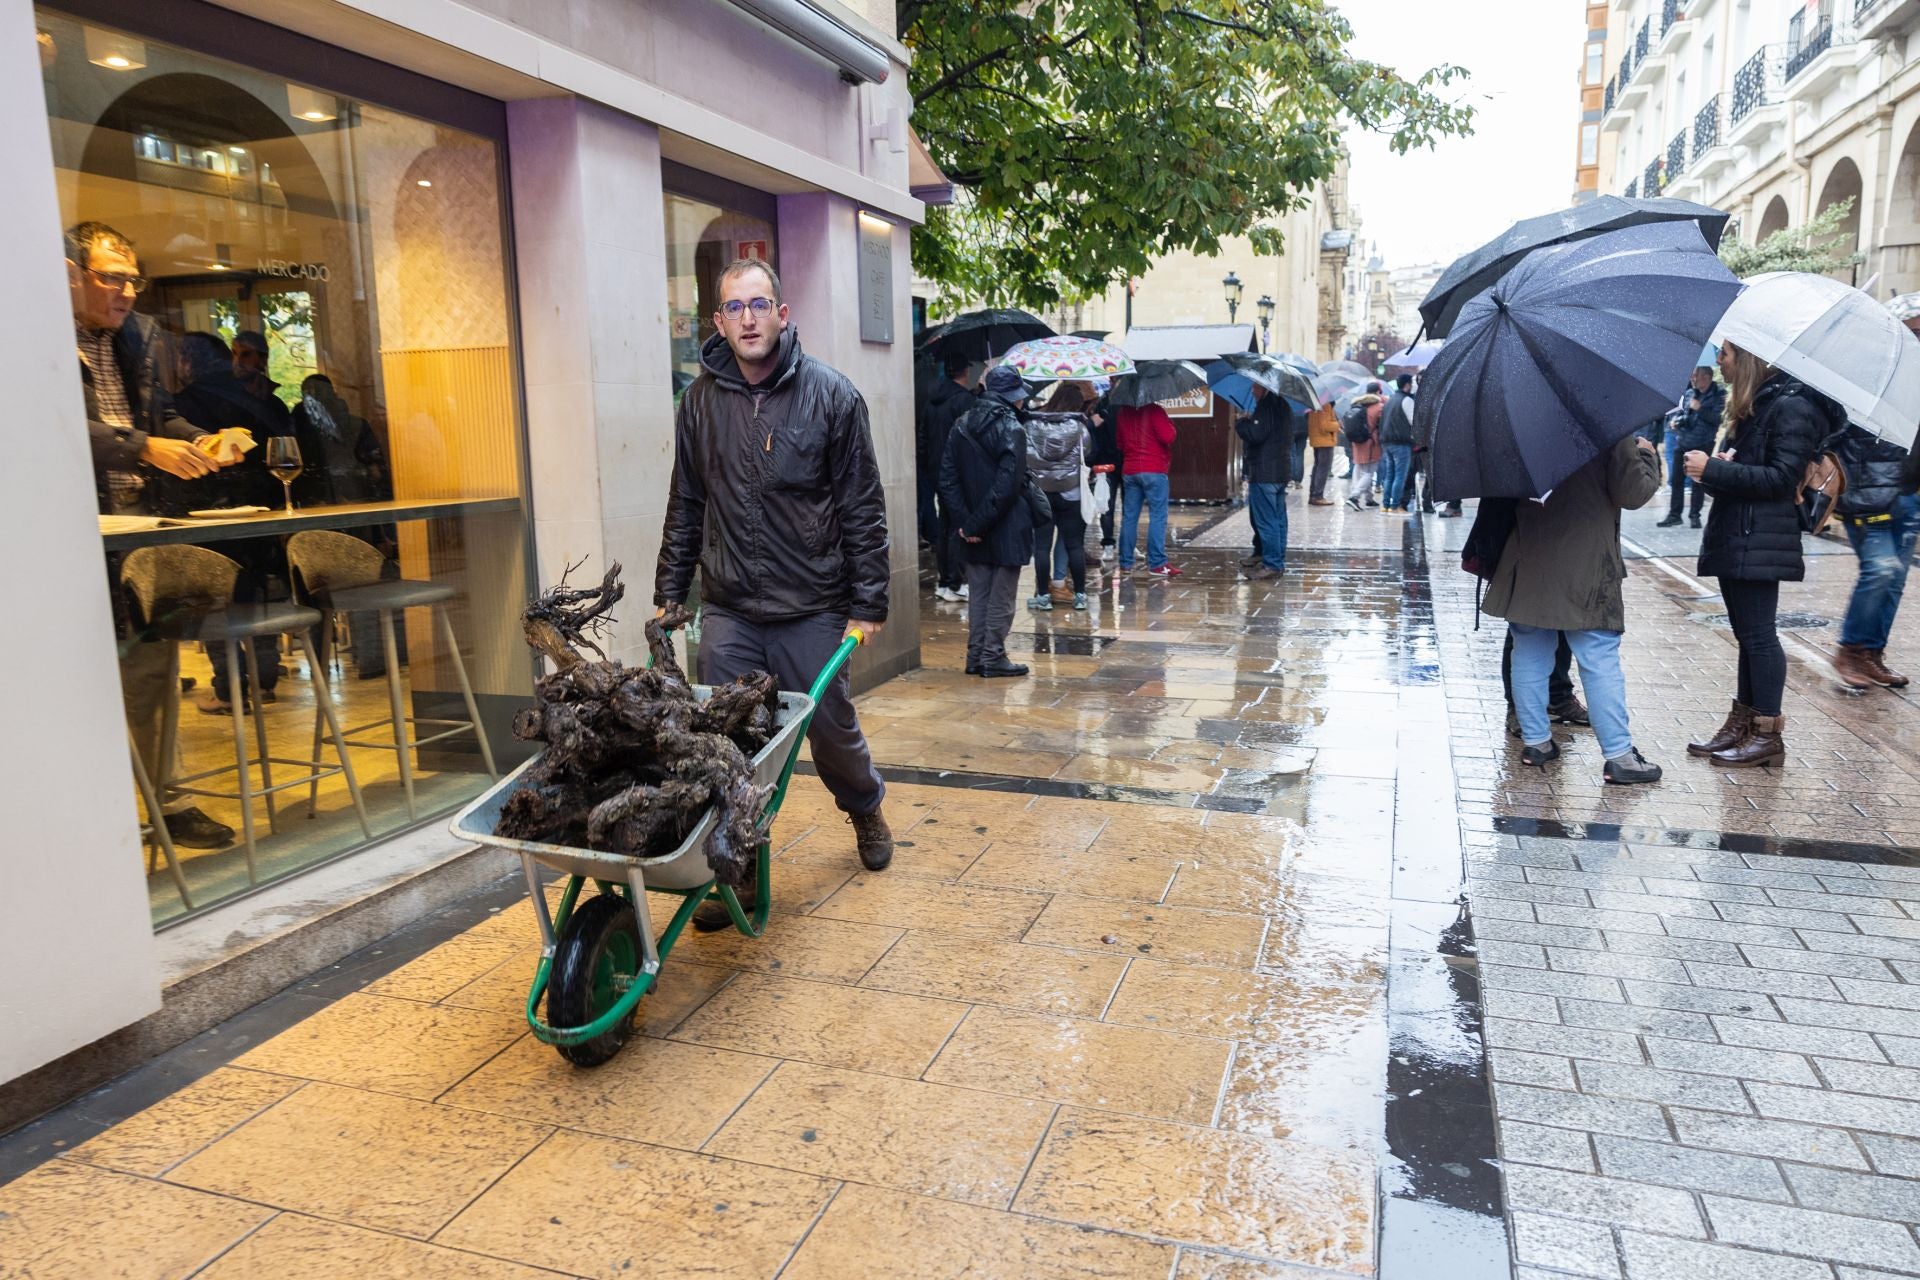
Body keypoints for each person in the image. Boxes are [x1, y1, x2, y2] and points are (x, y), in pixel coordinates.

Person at [655, 257, 895, 925]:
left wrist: (868, 602)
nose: (749, 318)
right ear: (719, 322)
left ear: (783, 315)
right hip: (730, 605)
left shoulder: (833, 397)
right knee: (725, 746)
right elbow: (686, 502)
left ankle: (866, 808)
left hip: (812, 605)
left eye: (760, 305)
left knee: (828, 728)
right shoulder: (699, 403)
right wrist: (671, 591)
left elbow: (862, 507)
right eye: (735, 308)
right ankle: (734, 870)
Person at [69, 219, 237, 850]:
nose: (127, 291)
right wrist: (148, 448)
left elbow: (158, 415)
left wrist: (196, 441)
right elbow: (61, 424)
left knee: (152, 668)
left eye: (133, 278)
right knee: (83, 677)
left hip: (139, 529)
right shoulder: (34, 335)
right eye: (112, 276)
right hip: (72, 532)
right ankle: (92, 809)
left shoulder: (136, 338)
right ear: (72, 276)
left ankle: (166, 800)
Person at [1682, 341, 1834, 768]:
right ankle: (1743, 725)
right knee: (1748, 635)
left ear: (1749, 358)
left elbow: (1782, 480)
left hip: (1760, 537)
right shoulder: (1757, 405)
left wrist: (1714, 469)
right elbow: (1747, 476)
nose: (1718, 363)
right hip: (1740, 534)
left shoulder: (1792, 407)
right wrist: (1715, 470)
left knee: (1760, 636)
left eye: (1725, 354)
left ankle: (1767, 734)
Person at [1483, 434, 1663, 783]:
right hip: (1588, 561)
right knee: (1598, 656)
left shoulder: (1521, 424)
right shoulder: (1607, 426)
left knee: (1530, 650)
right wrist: (1647, 456)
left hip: (1528, 553)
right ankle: (1620, 757)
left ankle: (1536, 743)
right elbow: (1633, 494)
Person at [166, 332, 297, 714]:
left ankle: (228, 690)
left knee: (213, 602)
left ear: (186, 362)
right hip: (262, 510)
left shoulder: (184, 405)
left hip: (207, 513)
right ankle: (264, 681)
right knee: (257, 596)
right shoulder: (267, 403)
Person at [941, 364, 1037, 677]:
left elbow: (948, 478)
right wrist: (976, 523)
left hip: (971, 528)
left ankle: (976, 656)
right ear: (1011, 398)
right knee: (1001, 598)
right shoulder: (1012, 428)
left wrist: (966, 522)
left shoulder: (961, 424)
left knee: (980, 595)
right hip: (1006, 525)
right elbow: (1007, 485)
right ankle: (993, 657)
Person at [920, 351, 976, 604]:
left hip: (936, 470)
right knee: (956, 526)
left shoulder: (933, 401)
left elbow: (923, 438)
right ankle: (954, 581)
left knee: (945, 525)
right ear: (965, 372)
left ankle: (945, 581)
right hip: (957, 471)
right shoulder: (964, 401)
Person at [1026, 404, 1093, 609]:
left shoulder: (1029, 427)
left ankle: (1044, 597)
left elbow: (1024, 455)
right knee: (1074, 545)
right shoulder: (1080, 428)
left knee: (1042, 547)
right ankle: (1080, 595)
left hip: (1041, 493)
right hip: (1071, 492)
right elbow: (1088, 452)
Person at [1117, 396, 1179, 577]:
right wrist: (1170, 424)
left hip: (1130, 470)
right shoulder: (1155, 410)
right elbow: (1168, 436)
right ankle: (1157, 563)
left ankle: (1126, 562)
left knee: (1129, 517)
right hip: (1154, 469)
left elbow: (1120, 443)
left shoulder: (1123, 413)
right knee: (1158, 516)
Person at [1236, 383, 1292, 579]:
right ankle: (1276, 558)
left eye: (1255, 387)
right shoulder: (1282, 405)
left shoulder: (1267, 406)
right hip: (1280, 472)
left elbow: (1256, 434)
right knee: (1278, 519)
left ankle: (1272, 564)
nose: (1252, 391)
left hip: (1265, 472)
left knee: (1267, 520)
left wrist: (1242, 422)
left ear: (1265, 387)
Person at [1658, 363, 1722, 529]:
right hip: (1683, 440)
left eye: (1696, 376)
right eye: (1693, 376)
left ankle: (1695, 515)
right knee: (1677, 479)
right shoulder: (1689, 393)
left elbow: (1717, 419)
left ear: (1706, 377)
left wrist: (1700, 408)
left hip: (1703, 442)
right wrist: (1675, 422)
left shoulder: (1719, 395)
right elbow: (1682, 413)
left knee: (1698, 482)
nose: (1693, 379)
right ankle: (1674, 514)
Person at [1380, 374, 1416, 513]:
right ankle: (1395, 505)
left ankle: (1386, 505)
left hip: (1387, 442)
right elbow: (1414, 422)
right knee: (1400, 475)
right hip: (1401, 443)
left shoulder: (1390, 400)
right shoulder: (1406, 400)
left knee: (1390, 475)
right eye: (1411, 383)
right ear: (1406, 385)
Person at [1343, 387, 1384, 511]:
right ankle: (1354, 497)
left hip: (1357, 442)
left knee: (1359, 468)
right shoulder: (1378, 407)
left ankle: (1368, 498)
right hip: (1371, 443)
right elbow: (1383, 424)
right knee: (1369, 472)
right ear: (1378, 393)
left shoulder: (1358, 404)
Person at [1306, 401, 1340, 506]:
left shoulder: (1314, 404)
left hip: (1317, 439)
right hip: (1325, 441)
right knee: (1323, 468)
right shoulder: (1325, 405)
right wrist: (1337, 424)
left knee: (1318, 467)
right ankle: (1318, 496)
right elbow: (1325, 425)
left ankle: (1313, 495)